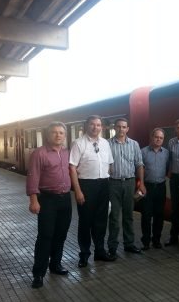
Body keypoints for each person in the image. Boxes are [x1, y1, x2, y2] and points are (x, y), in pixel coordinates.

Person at [26, 122, 72, 289]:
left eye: (61, 132)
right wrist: (34, 200)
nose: (58, 135)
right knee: (45, 236)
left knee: (60, 234)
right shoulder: (39, 153)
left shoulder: (67, 153)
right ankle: (38, 273)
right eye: (54, 132)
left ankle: (55, 265)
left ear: (64, 135)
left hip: (66, 199)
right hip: (47, 199)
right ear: (47, 135)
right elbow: (33, 177)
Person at [69, 115, 115, 268]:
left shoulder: (105, 143)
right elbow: (72, 168)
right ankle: (84, 255)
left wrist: (104, 180)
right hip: (86, 185)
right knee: (85, 222)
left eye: (98, 125)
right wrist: (78, 191)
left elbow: (108, 164)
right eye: (92, 124)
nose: (96, 127)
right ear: (86, 126)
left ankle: (100, 252)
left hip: (103, 184)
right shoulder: (78, 143)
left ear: (102, 127)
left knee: (101, 221)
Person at [107, 118, 146, 258]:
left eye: (124, 127)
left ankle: (129, 244)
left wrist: (141, 183)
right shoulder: (107, 144)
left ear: (127, 129)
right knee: (114, 217)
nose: (121, 129)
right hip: (113, 184)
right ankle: (112, 246)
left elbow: (139, 164)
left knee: (129, 216)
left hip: (129, 182)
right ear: (114, 128)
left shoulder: (134, 144)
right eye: (118, 127)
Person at [141, 128, 169, 250]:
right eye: (156, 137)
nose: (158, 139)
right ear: (152, 137)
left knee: (159, 215)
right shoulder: (143, 152)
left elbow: (168, 168)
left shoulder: (167, 153)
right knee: (146, 215)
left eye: (161, 138)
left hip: (161, 187)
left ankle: (156, 240)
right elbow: (139, 169)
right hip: (147, 187)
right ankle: (146, 241)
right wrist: (141, 185)